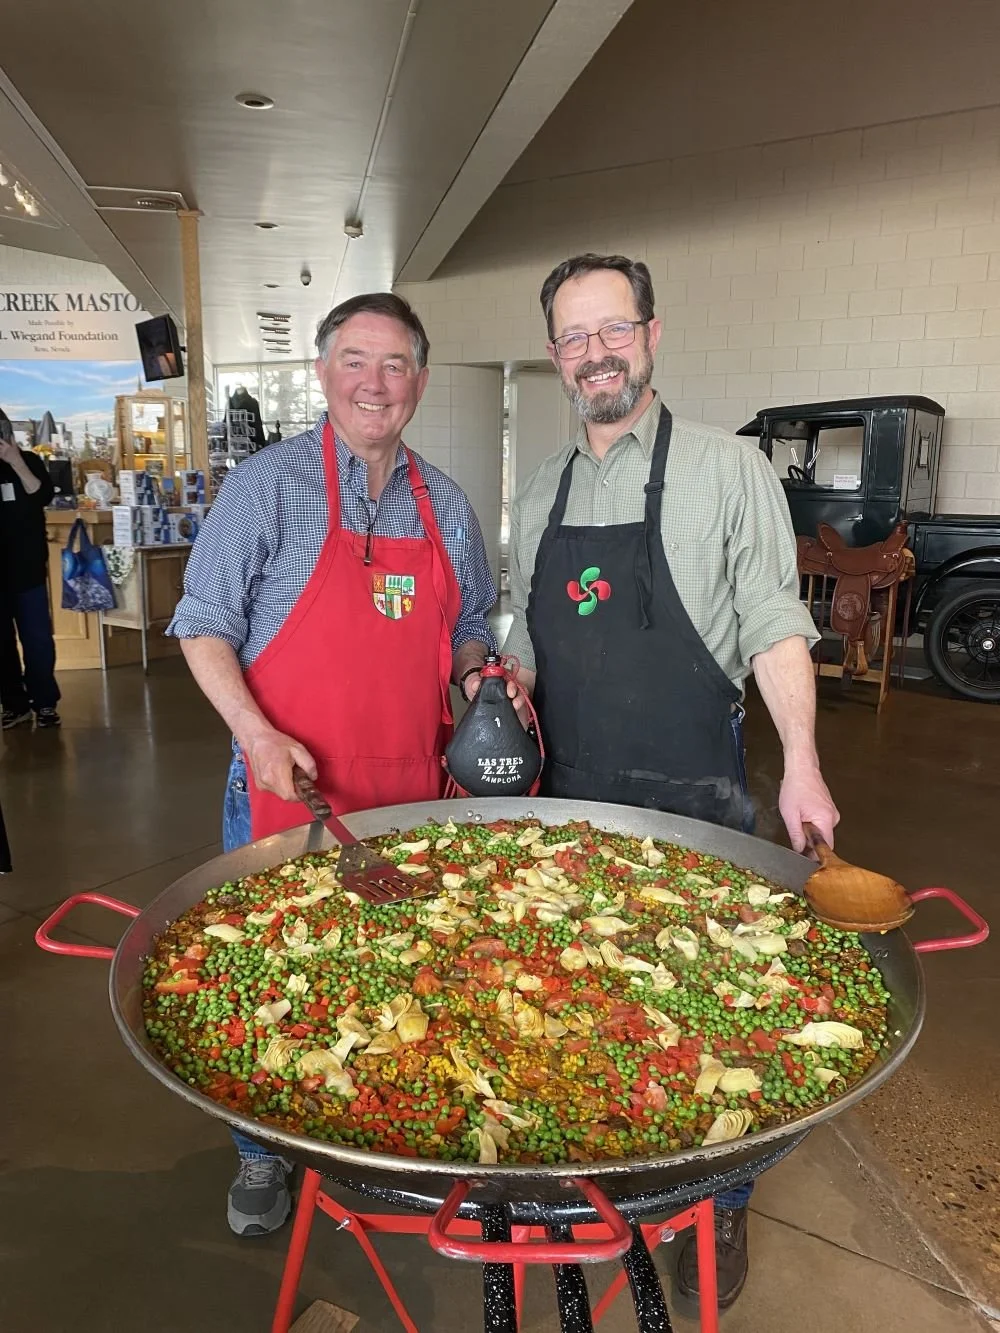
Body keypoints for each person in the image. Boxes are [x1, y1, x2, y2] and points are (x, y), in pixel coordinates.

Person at [481, 253, 839, 1310]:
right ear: (555, 357)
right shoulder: (541, 487)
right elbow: (527, 621)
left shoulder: (730, 470)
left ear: (651, 331)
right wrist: (506, 683)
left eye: (613, 329)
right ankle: (590, 1197)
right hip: (565, 800)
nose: (596, 352)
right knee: (583, 1015)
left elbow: (774, 626)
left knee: (703, 1026)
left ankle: (716, 1206)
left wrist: (804, 763)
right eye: (574, 337)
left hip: (692, 798)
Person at [167, 292, 497, 1236]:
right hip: (289, 792)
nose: (374, 383)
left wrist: (482, 687)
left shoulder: (447, 503)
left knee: (400, 980)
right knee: (276, 981)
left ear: (420, 383)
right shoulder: (266, 487)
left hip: (413, 792)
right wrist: (255, 734)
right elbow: (201, 625)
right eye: (355, 360)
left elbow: (468, 626)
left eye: (394, 365)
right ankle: (261, 1152)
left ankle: (389, 1135)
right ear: (323, 372)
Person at [0, 409, 61, 730]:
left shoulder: (29, 461)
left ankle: (45, 702)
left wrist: (15, 461)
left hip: (28, 570)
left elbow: (42, 494)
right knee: (2, 645)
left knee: (38, 640)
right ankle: (14, 704)